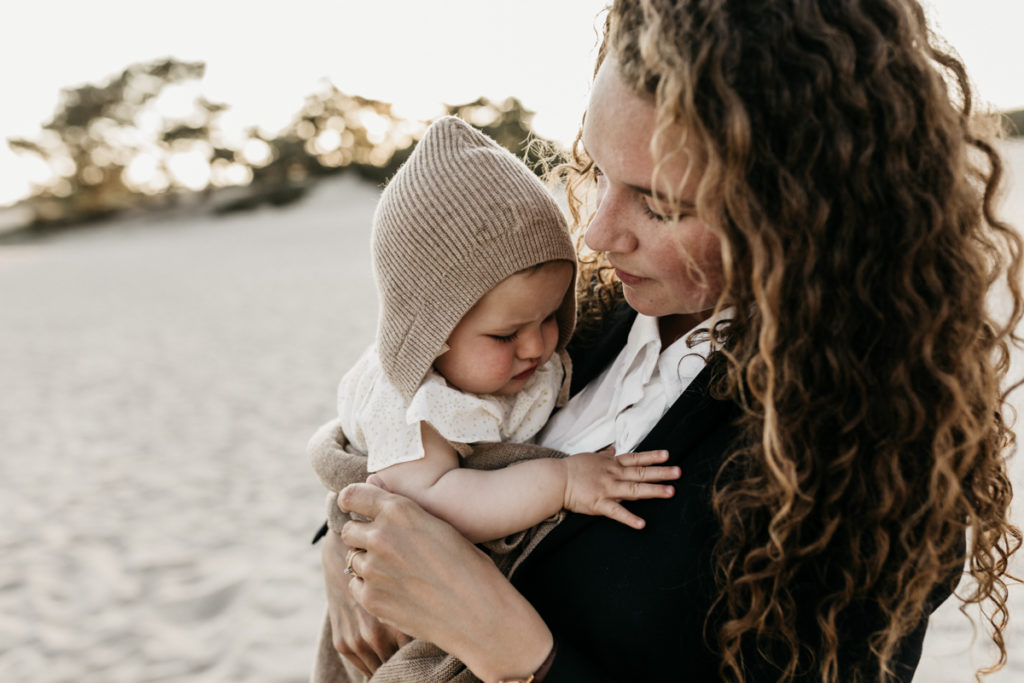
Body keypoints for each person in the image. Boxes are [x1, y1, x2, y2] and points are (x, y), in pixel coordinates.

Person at [313, 1, 1023, 681]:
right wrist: (350, 554)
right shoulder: (584, 314)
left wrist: (516, 653)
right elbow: (402, 409)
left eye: (660, 204)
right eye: (600, 171)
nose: (596, 233)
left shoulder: (867, 470)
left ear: (796, 211)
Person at [315, 115, 679, 552]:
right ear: (430, 335)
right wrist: (561, 482)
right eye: (506, 336)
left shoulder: (523, 351)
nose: (536, 348)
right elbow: (428, 509)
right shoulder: (411, 409)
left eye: (550, 317)